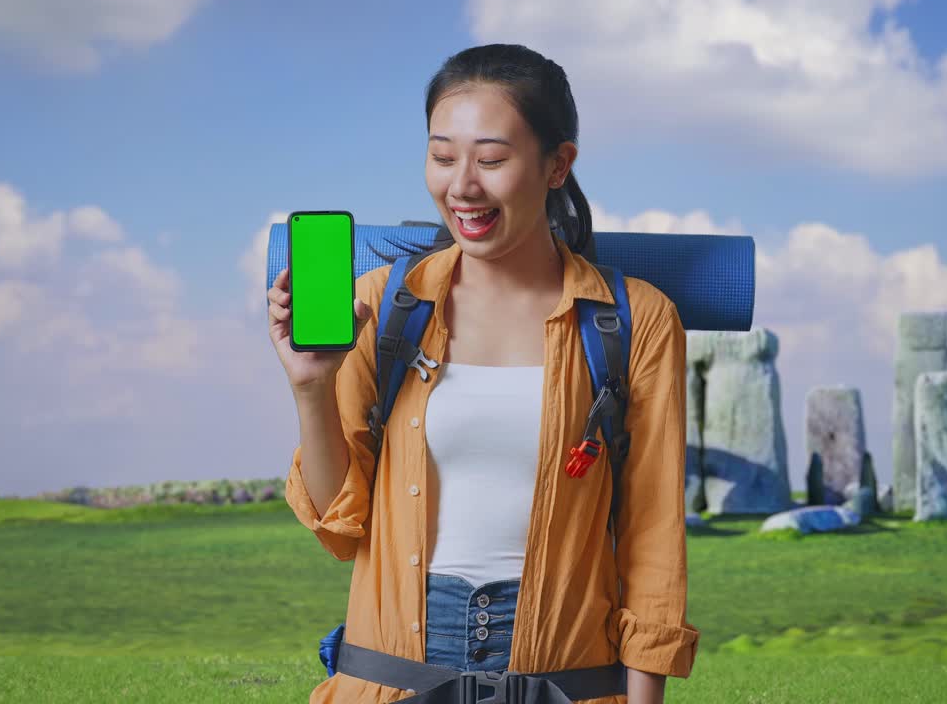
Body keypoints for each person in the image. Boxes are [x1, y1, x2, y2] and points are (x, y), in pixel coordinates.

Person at [267, 43, 698, 704]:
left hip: (568, 676)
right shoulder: (383, 305)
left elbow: (653, 544)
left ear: (559, 165)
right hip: (390, 679)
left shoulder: (635, 320)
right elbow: (337, 526)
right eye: (442, 156)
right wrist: (310, 387)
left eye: (492, 159)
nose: (461, 185)